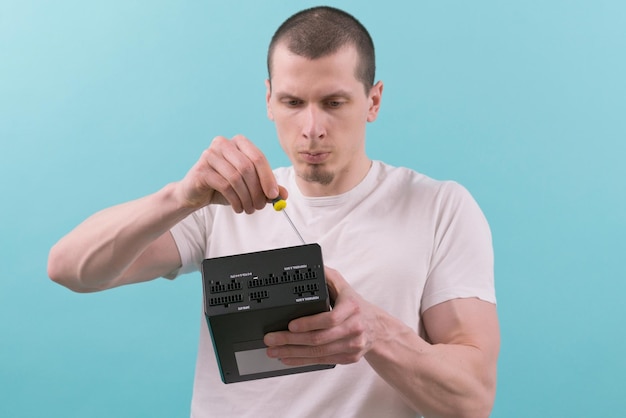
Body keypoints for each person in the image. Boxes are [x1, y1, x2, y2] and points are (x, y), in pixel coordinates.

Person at [48, 6, 499, 418]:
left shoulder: (440, 207)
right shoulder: (219, 204)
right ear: (268, 99)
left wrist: (377, 332)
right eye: (293, 102)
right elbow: (69, 269)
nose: (312, 129)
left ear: (373, 101)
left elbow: (472, 399)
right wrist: (178, 198)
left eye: (334, 103)